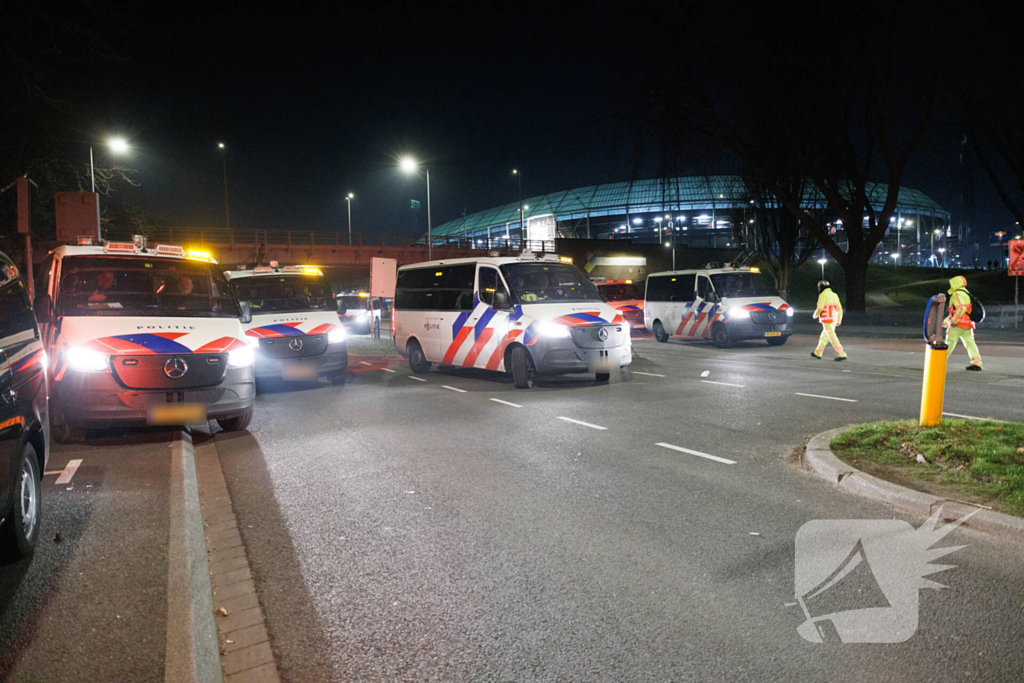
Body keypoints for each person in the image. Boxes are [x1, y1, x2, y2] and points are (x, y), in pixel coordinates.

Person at [944, 275, 982, 371]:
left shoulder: (956, 294)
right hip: (968, 324)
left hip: (958, 325)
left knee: (949, 343)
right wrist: (946, 320)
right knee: (970, 343)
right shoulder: (966, 293)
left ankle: (940, 362)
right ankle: (977, 363)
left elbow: (961, 309)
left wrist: (953, 321)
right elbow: (964, 310)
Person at [811, 280, 846, 361]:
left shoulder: (822, 295)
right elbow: (839, 309)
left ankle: (841, 353)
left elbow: (820, 308)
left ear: (821, 287)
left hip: (826, 319)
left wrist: (815, 315)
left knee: (831, 336)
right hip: (833, 319)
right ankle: (818, 352)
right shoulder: (834, 295)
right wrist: (838, 320)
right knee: (824, 336)